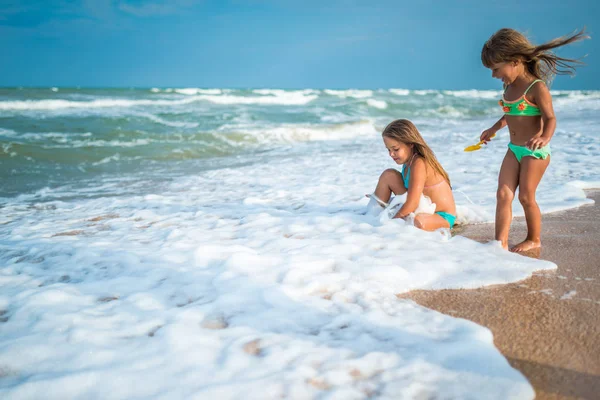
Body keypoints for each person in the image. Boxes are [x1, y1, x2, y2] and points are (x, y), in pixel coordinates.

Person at [480, 28, 589, 252]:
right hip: (514, 149)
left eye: (496, 69)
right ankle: (499, 242)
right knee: (503, 194)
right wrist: (494, 128)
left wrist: (544, 136)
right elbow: (511, 113)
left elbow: (550, 118)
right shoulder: (509, 87)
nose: (494, 75)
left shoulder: (536, 88)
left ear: (515, 61)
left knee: (526, 196)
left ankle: (534, 238)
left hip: (534, 151)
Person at [370, 119, 456, 231]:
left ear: (410, 144)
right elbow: (411, 195)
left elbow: (413, 203)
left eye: (396, 149)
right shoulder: (408, 162)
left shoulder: (419, 163)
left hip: (440, 215)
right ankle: (371, 217)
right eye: (388, 150)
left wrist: (391, 223)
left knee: (418, 222)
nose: (391, 154)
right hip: (422, 206)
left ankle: (383, 223)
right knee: (388, 175)